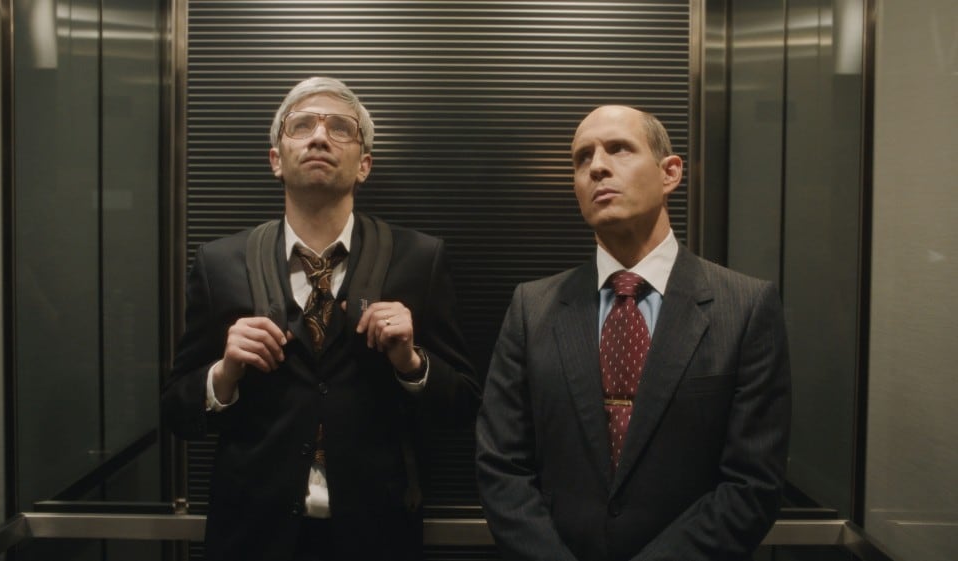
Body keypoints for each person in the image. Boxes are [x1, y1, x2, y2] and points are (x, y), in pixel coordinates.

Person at [163, 76, 481, 561]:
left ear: (364, 165)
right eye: (302, 125)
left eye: (340, 128)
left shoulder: (420, 259)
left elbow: (462, 407)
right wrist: (223, 375)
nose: (319, 137)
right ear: (276, 159)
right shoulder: (219, 263)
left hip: (378, 536)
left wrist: (412, 364)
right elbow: (176, 411)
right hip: (252, 536)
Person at [475, 105, 791, 561]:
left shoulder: (745, 307)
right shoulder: (532, 308)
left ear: (670, 173)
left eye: (619, 149)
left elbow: (752, 483)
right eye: (582, 158)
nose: (597, 167)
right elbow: (501, 466)